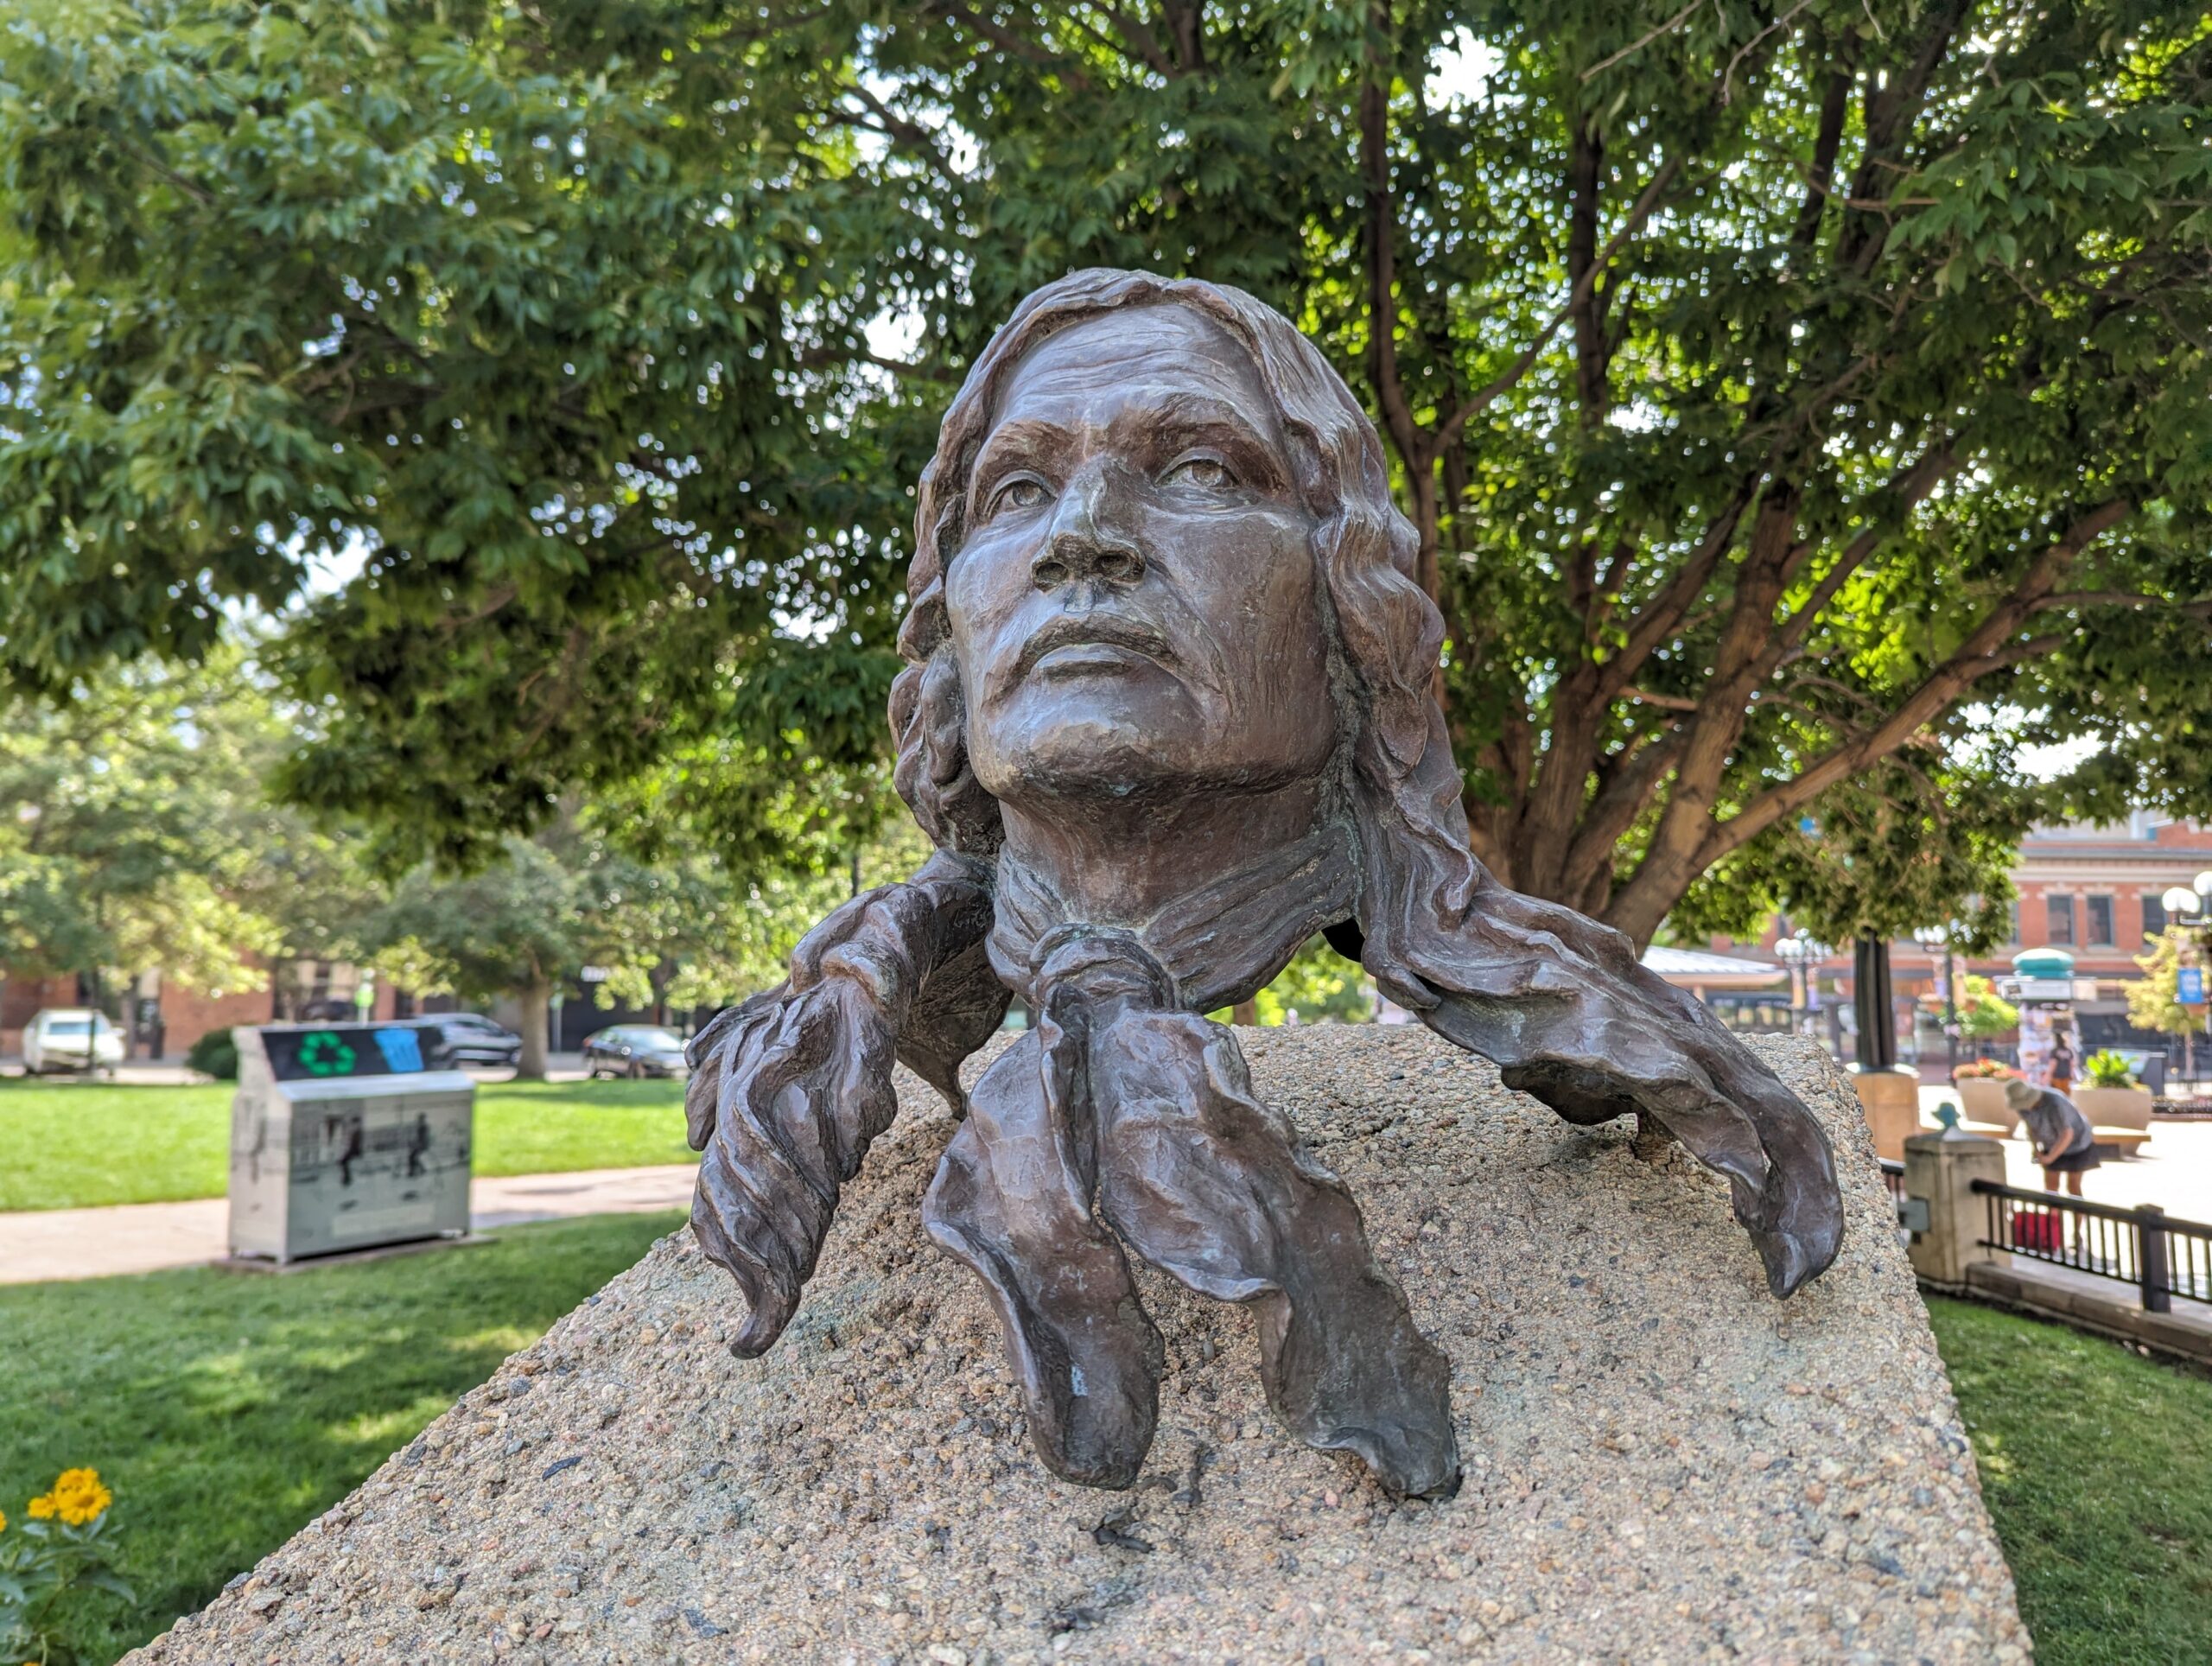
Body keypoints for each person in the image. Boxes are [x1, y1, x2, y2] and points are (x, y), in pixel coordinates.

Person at [683, 270, 1844, 1500]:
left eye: (1198, 472)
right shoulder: (833, 1015)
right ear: (952, 634)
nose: (1082, 532)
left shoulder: (1572, 997)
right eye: (1015, 490)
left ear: (1350, 608)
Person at [2004, 1074, 2102, 1198]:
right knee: (2051, 1186)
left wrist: (2050, 1158)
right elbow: (2031, 1129)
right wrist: (2035, 1149)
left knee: (2073, 1186)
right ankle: (2054, 1217)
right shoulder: (2022, 1107)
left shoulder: (2055, 1102)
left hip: (2078, 1142)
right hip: (2050, 1142)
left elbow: (2067, 1133)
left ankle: (2078, 1216)